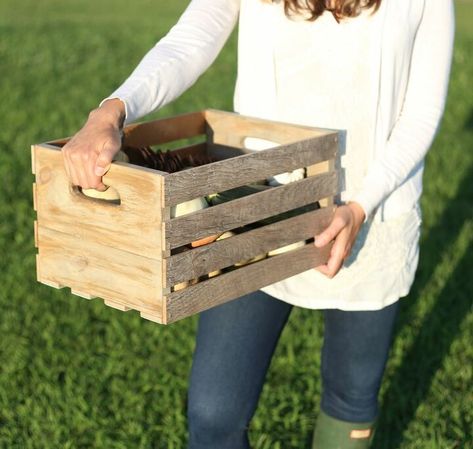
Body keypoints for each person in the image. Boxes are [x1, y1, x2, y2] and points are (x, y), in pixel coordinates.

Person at [61, 0, 455, 447]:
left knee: (350, 398)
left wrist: (361, 205)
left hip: (370, 210)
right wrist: (112, 110)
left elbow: (421, 111)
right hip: (254, 203)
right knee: (213, 415)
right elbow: (194, 36)